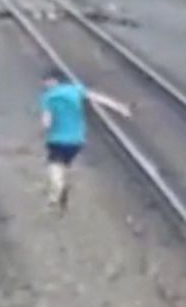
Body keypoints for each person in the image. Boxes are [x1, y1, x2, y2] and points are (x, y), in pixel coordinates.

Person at [39, 68, 133, 208]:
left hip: (57, 139)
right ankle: (61, 187)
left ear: (53, 81)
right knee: (64, 163)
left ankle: (55, 195)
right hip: (77, 139)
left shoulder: (48, 97)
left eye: (46, 82)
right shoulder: (76, 90)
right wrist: (120, 108)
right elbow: (99, 98)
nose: (45, 85)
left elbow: (47, 121)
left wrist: (44, 128)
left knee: (54, 166)